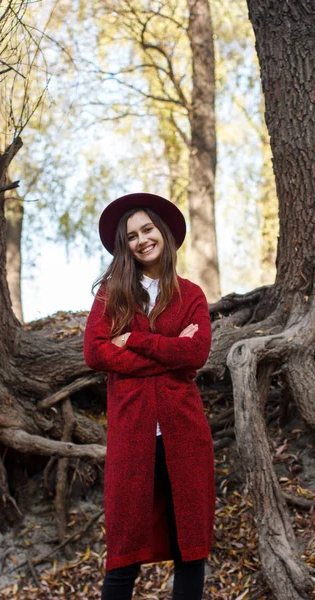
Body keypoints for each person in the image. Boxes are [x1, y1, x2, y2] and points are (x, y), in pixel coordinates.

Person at [83, 193, 215, 600]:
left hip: (185, 434)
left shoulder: (190, 294)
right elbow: (95, 352)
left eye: (147, 229)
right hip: (131, 435)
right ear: (125, 246)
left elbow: (197, 352)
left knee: (190, 551)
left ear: (163, 232)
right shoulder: (111, 295)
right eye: (132, 236)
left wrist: (136, 342)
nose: (142, 240)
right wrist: (169, 350)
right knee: (123, 552)